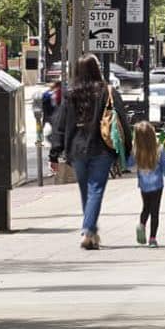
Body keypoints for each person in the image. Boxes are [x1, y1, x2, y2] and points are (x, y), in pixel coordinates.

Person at [48, 54, 116, 250]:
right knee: (96, 190)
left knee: (86, 191)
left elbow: (60, 125)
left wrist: (55, 153)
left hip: (77, 149)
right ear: (96, 69)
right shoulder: (105, 91)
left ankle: (91, 233)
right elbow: (118, 121)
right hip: (101, 147)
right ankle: (88, 231)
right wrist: (125, 151)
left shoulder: (70, 93)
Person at [131, 121, 165, 247]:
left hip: (144, 186)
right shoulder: (159, 149)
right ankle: (152, 238)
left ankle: (142, 224)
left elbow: (128, 164)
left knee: (146, 207)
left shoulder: (136, 150)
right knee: (155, 212)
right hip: (157, 185)